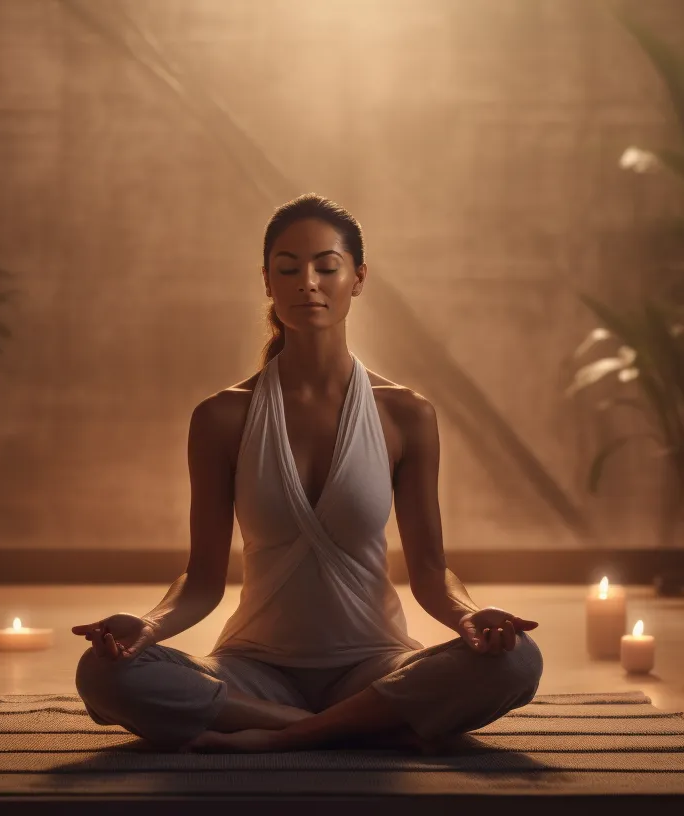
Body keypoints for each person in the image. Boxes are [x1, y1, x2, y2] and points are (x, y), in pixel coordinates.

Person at [72, 194, 542, 754]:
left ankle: (282, 736)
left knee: (517, 660)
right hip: (253, 670)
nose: (308, 283)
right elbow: (201, 580)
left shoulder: (406, 414)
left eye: (326, 266)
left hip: (375, 665)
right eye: (288, 269)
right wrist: (148, 626)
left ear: (358, 278)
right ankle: (352, 727)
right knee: (101, 674)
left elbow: (431, 571)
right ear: (268, 282)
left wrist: (471, 616)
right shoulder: (222, 417)